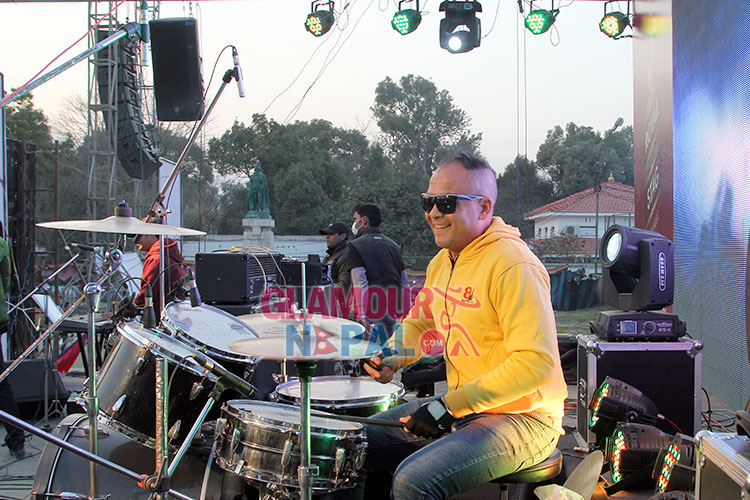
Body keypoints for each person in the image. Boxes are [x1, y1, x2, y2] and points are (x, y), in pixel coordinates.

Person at [357, 150, 568, 499]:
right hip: (465, 405)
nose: (433, 213)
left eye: (446, 202)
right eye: (428, 202)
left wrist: (447, 407)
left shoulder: (514, 265)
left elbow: (534, 364)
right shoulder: (442, 262)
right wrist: (391, 357)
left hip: (526, 418)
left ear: (484, 208)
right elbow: (421, 324)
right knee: (355, 442)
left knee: (412, 481)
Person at [348, 204, 408, 339]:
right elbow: (404, 282)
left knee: (364, 349)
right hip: (392, 309)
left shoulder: (356, 246)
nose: (354, 223)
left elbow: (360, 282)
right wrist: (406, 312)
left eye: (355, 219)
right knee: (387, 347)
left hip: (370, 310)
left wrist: (361, 315)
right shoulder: (393, 245)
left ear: (364, 220)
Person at [0, 222, 26, 459]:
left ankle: (16, 438)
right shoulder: (2, 245)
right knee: (1, 383)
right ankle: (16, 439)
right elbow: (6, 281)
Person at [132, 234, 187, 320]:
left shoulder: (157, 259)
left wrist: (128, 311)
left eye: (139, 236)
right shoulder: (167, 255)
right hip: (174, 316)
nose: (136, 242)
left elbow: (148, 291)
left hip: (160, 319)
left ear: (151, 234)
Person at [319, 221, 351, 302]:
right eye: (326, 234)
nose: (327, 237)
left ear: (343, 236)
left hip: (340, 304)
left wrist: (321, 289)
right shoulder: (329, 257)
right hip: (330, 302)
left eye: (331, 234)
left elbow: (344, 286)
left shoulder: (345, 256)